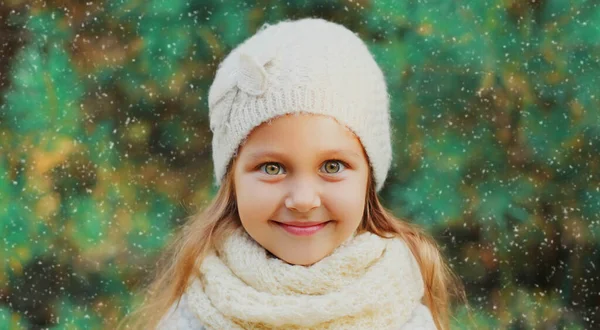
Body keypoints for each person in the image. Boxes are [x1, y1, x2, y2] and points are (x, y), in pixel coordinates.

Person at [122, 17, 466, 330]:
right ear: (233, 181)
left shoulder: (401, 315)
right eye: (272, 168)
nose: (303, 200)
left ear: (367, 180)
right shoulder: (194, 316)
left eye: (332, 167)